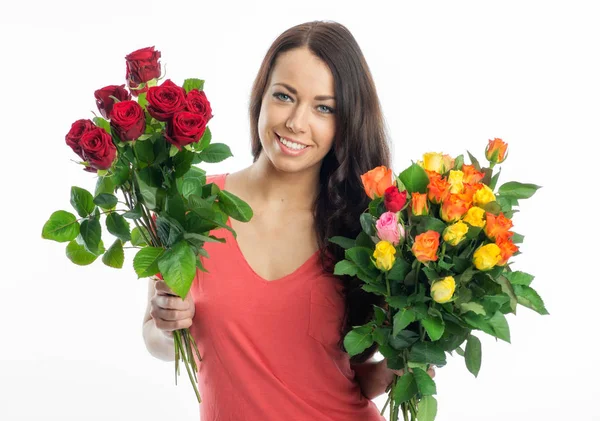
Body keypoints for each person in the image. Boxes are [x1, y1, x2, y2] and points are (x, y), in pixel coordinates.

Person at [142, 20, 434, 420]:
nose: (297, 122)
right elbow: (156, 339)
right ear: (261, 96)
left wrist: (396, 370)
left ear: (344, 121)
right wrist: (165, 324)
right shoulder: (190, 206)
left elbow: (346, 376)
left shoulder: (365, 229)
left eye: (324, 107)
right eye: (284, 96)